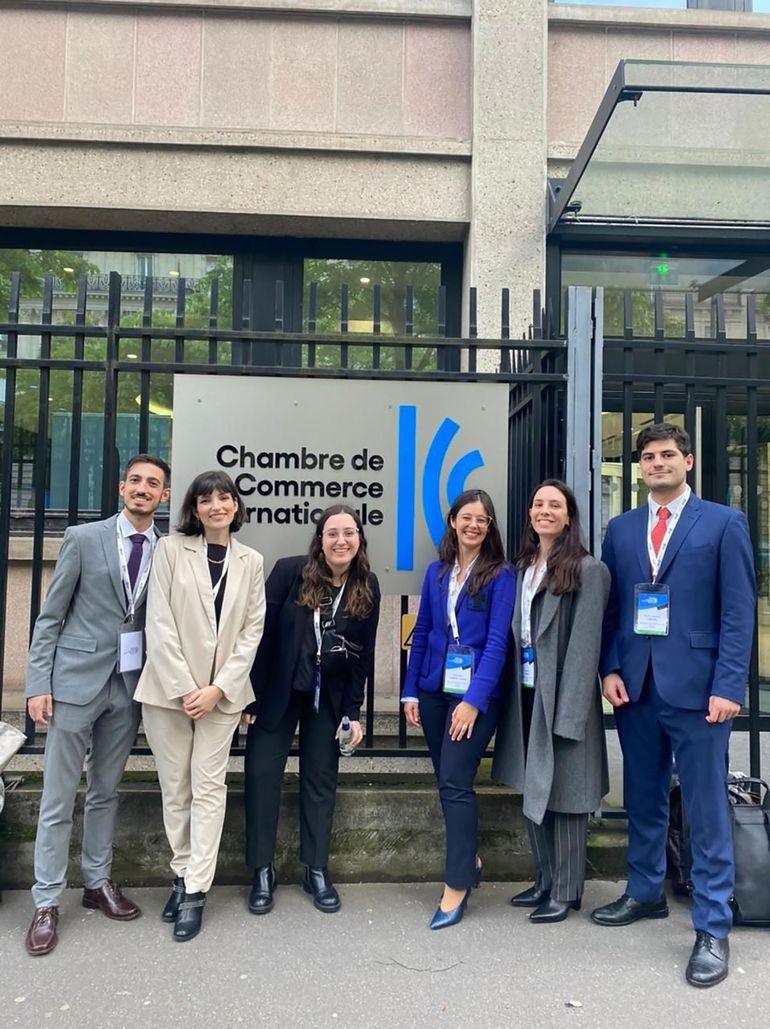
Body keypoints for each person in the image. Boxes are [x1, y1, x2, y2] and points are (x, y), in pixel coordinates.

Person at [592, 423, 756, 989]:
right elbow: (611, 608)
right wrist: (610, 666)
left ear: (688, 461)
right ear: (639, 467)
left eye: (667, 455)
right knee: (642, 797)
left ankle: (712, 925)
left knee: (706, 810)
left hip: (701, 690)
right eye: (648, 456)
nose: (657, 463)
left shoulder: (724, 523)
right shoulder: (622, 528)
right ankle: (644, 892)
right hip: (636, 686)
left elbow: (738, 612)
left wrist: (730, 686)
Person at [24, 454, 171, 957]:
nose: (143, 489)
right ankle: (45, 900)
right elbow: (50, 616)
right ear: (120, 487)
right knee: (58, 795)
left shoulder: (167, 549)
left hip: (128, 686)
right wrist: (37, 683)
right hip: (73, 682)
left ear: (164, 496)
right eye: (136, 481)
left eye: (153, 484)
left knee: (106, 790)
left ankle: (96, 882)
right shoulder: (83, 539)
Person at [135, 470, 265, 942]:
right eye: (206, 499)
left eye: (224, 497)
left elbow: (252, 631)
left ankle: (194, 890)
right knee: (177, 789)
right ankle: (182, 870)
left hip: (223, 697)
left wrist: (217, 688)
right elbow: (159, 620)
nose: (216, 506)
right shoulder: (170, 550)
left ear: (235, 506)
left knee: (210, 787)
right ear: (194, 507)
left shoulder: (251, 560)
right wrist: (187, 686)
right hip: (168, 694)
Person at [243, 504, 380, 915]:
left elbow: (364, 657)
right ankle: (262, 870)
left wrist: (352, 712)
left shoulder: (366, 584)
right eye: (332, 533)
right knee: (262, 776)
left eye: (349, 533)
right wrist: (250, 695)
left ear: (359, 539)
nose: (341, 540)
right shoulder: (289, 572)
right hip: (278, 692)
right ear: (319, 540)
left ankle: (315, 868)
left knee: (320, 781)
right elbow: (260, 636)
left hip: (328, 699)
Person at [492, 480, 610, 923]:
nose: (544, 511)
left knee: (568, 794)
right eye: (538, 503)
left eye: (554, 505)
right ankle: (544, 879)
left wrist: (570, 714)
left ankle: (566, 890)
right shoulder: (523, 567)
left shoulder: (587, 569)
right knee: (534, 784)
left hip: (563, 695)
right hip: (526, 691)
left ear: (568, 516)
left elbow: (585, 649)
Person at [402, 488, 515, 930]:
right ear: (453, 521)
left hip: (474, 696)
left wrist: (472, 702)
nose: (474, 525)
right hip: (432, 689)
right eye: (467, 517)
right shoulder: (436, 572)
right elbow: (424, 629)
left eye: (483, 520)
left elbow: (496, 644)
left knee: (454, 783)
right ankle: (471, 859)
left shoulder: (501, 574)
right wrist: (411, 691)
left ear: (489, 528)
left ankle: (456, 887)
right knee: (447, 778)